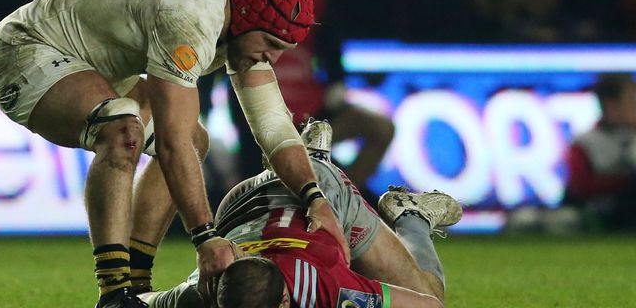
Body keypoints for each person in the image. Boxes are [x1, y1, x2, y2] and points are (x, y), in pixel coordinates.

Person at [0, 0, 349, 308]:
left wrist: (315, 198)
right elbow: (172, 144)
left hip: (93, 62)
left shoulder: (243, 9)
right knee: (121, 130)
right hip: (24, 50)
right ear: (248, 21)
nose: (273, 58)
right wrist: (207, 237)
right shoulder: (188, 18)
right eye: (270, 44)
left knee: (194, 140)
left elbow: (273, 126)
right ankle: (113, 292)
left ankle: (137, 286)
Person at [142, 119, 462, 307]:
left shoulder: (328, 288)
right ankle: (303, 158)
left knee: (429, 291)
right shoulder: (203, 290)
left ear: (285, 301)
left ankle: (410, 216)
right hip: (242, 203)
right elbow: (139, 301)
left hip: (325, 200)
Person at [231, 0, 395, 195]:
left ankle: (343, 201)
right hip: (259, 103)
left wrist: (335, 82)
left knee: (380, 129)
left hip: (309, 102)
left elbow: (328, 34)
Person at [564, 73, 636, 231]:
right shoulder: (586, 142)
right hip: (600, 217)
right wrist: (624, 183)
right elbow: (579, 187)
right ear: (611, 105)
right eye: (631, 100)